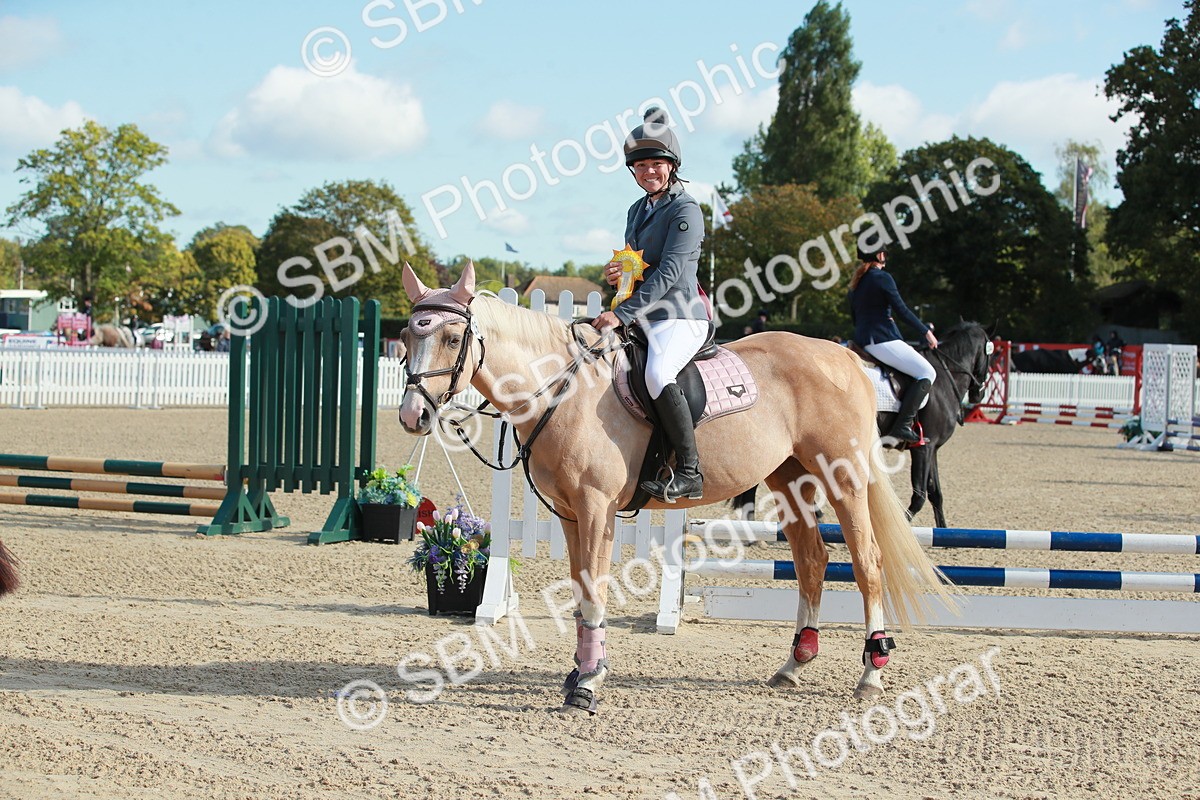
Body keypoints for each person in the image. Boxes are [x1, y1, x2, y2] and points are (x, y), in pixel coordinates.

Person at [594, 107, 707, 502]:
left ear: (671, 166)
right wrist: (617, 274)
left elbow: (671, 272)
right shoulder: (636, 210)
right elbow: (639, 266)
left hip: (680, 315)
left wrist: (621, 313)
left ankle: (690, 470)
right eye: (640, 166)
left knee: (658, 374)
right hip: (643, 316)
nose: (648, 172)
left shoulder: (685, 210)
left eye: (655, 164)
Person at [848, 243, 939, 444]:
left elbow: (857, 317)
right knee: (927, 372)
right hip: (881, 340)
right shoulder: (882, 278)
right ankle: (903, 426)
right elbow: (902, 310)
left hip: (863, 340)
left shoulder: (858, 282)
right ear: (880, 255)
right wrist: (926, 332)